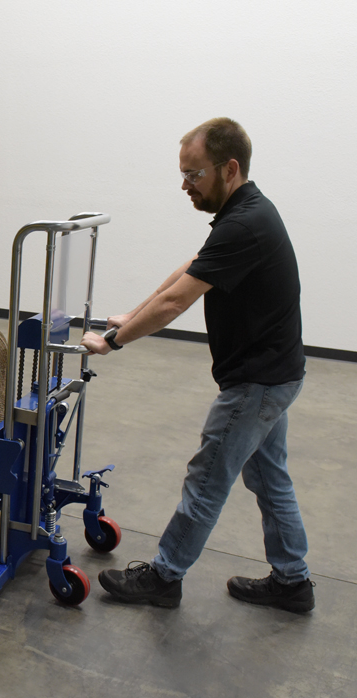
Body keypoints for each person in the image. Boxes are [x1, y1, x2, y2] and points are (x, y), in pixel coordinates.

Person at [80, 117, 314, 613]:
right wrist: (132, 315)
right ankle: (293, 582)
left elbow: (175, 303)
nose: (186, 185)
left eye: (194, 174)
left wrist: (112, 342)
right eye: (183, 174)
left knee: (207, 478)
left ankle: (164, 577)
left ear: (229, 169)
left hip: (257, 382)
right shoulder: (245, 213)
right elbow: (190, 270)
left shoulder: (245, 222)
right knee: (269, 478)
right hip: (276, 374)